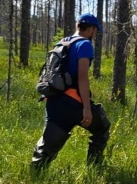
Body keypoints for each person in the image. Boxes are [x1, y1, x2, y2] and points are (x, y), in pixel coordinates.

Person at [30, 13, 111, 175]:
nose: (95, 35)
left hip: (54, 100)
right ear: (91, 29)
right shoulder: (85, 45)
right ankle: (94, 171)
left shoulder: (63, 42)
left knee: (47, 146)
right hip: (72, 103)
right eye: (95, 31)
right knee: (102, 127)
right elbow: (82, 77)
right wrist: (86, 108)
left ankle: (34, 176)